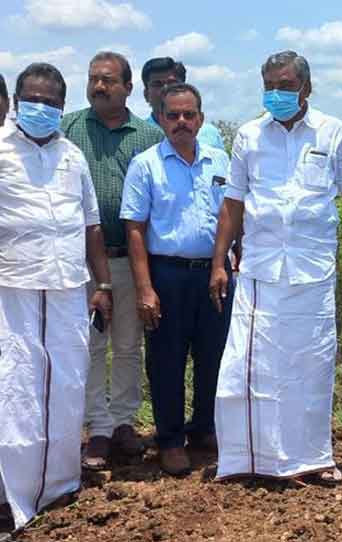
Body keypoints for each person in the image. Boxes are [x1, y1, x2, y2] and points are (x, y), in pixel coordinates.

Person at [209, 50, 342, 482]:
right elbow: (233, 203)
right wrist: (219, 262)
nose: (276, 94)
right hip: (259, 270)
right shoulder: (247, 136)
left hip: (311, 270)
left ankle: (312, 459)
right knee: (251, 364)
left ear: (306, 89)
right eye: (270, 86)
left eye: (285, 85)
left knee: (309, 365)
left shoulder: (332, 133)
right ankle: (250, 460)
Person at [0, 62, 112, 534]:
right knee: (15, 387)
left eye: (50, 102)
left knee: (66, 385)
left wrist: (102, 285)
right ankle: (11, 492)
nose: (41, 108)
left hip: (68, 288)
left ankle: (59, 481)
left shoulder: (72, 157)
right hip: (13, 289)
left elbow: (90, 226)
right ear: (17, 101)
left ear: (62, 107)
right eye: (33, 99)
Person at [120, 83, 233, 476]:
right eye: (173, 116)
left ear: (201, 118)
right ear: (162, 119)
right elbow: (135, 228)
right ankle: (169, 439)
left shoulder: (220, 161)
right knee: (166, 360)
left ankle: (204, 428)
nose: (182, 122)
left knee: (214, 356)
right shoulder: (145, 164)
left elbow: (229, 217)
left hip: (215, 273)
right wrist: (145, 287)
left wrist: (222, 263)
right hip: (166, 274)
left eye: (189, 115)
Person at [62, 51, 163, 470]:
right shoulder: (68, 128)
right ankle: (97, 429)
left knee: (126, 346)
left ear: (128, 88)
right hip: (79, 260)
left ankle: (123, 422)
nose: (99, 86)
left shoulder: (147, 136)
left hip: (128, 259)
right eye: (93, 79)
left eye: (108, 80)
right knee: (90, 346)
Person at [141, 57, 225, 151]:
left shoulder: (210, 134)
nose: (165, 89)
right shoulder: (138, 135)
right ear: (146, 94)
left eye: (172, 83)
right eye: (157, 84)